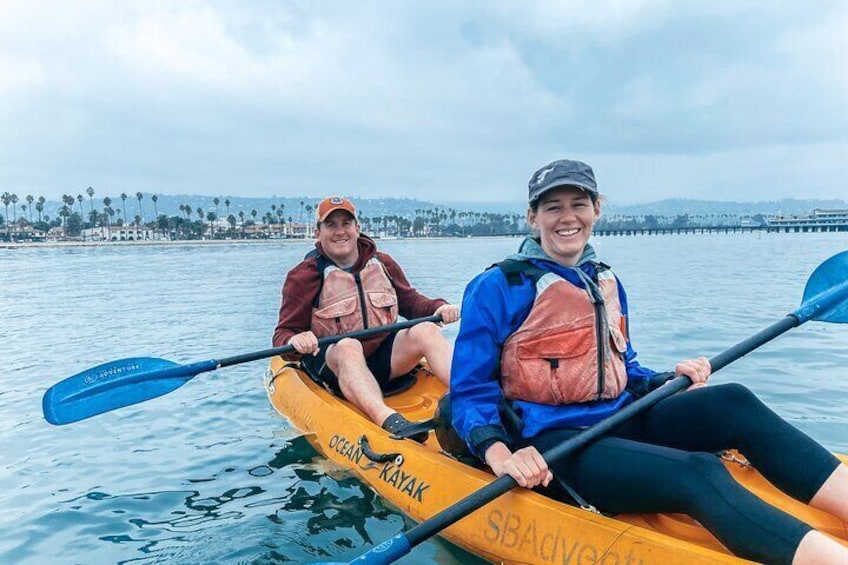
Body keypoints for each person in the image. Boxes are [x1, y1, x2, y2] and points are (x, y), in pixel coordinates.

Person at [449, 159, 848, 565]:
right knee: (698, 472)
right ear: (533, 217)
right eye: (553, 207)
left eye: (578, 204)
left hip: (618, 418)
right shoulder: (498, 287)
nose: (567, 217)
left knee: (734, 400)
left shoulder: (604, 279)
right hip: (556, 444)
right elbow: (469, 391)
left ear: (596, 211)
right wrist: (500, 455)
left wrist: (666, 380)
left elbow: (625, 371)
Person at [273, 196, 460, 441]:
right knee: (348, 345)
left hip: (383, 361)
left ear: (357, 229)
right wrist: (297, 339)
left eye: (346, 224)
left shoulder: (383, 264)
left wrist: (439, 307)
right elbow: (282, 335)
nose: (340, 231)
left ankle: (472, 395)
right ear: (318, 233)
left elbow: (411, 302)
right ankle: (388, 420)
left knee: (425, 329)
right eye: (331, 225)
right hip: (336, 366)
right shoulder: (304, 276)